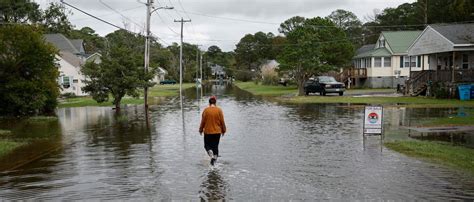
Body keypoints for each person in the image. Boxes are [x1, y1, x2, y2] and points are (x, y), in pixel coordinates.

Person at [199, 95, 226, 166]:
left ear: (209, 103)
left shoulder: (206, 110)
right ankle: (214, 163)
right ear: (215, 102)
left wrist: (200, 129)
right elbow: (222, 121)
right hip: (217, 132)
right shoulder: (219, 110)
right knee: (216, 146)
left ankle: (209, 152)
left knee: (206, 145)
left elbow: (203, 121)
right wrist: (224, 130)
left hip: (208, 132)